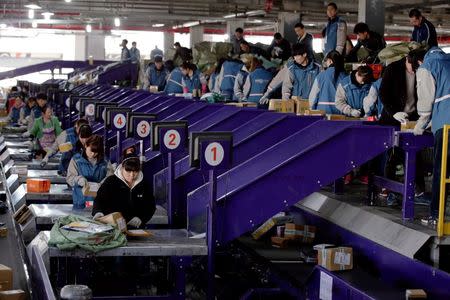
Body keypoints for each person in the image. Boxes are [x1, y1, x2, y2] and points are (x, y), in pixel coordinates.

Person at [412, 47, 450, 225]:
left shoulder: (427, 66)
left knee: (441, 170)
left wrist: (420, 125)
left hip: (446, 123)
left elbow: (427, 100)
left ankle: (436, 215)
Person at [92, 151, 156, 228]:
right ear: (122, 168)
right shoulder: (111, 181)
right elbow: (99, 199)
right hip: (112, 226)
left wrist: (141, 218)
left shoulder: (144, 184)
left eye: (135, 171)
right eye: (128, 171)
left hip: (135, 227)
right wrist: (98, 212)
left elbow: (150, 206)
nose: (132, 175)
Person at [67, 135, 114, 210]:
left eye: (96, 152)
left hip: (100, 203)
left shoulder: (105, 161)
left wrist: (104, 183)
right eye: (91, 151)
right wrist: (79, 179)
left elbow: (111, 177)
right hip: (80, 202)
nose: (93, 154)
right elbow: (70, 177)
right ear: (86, 145)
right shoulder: (76, 160)